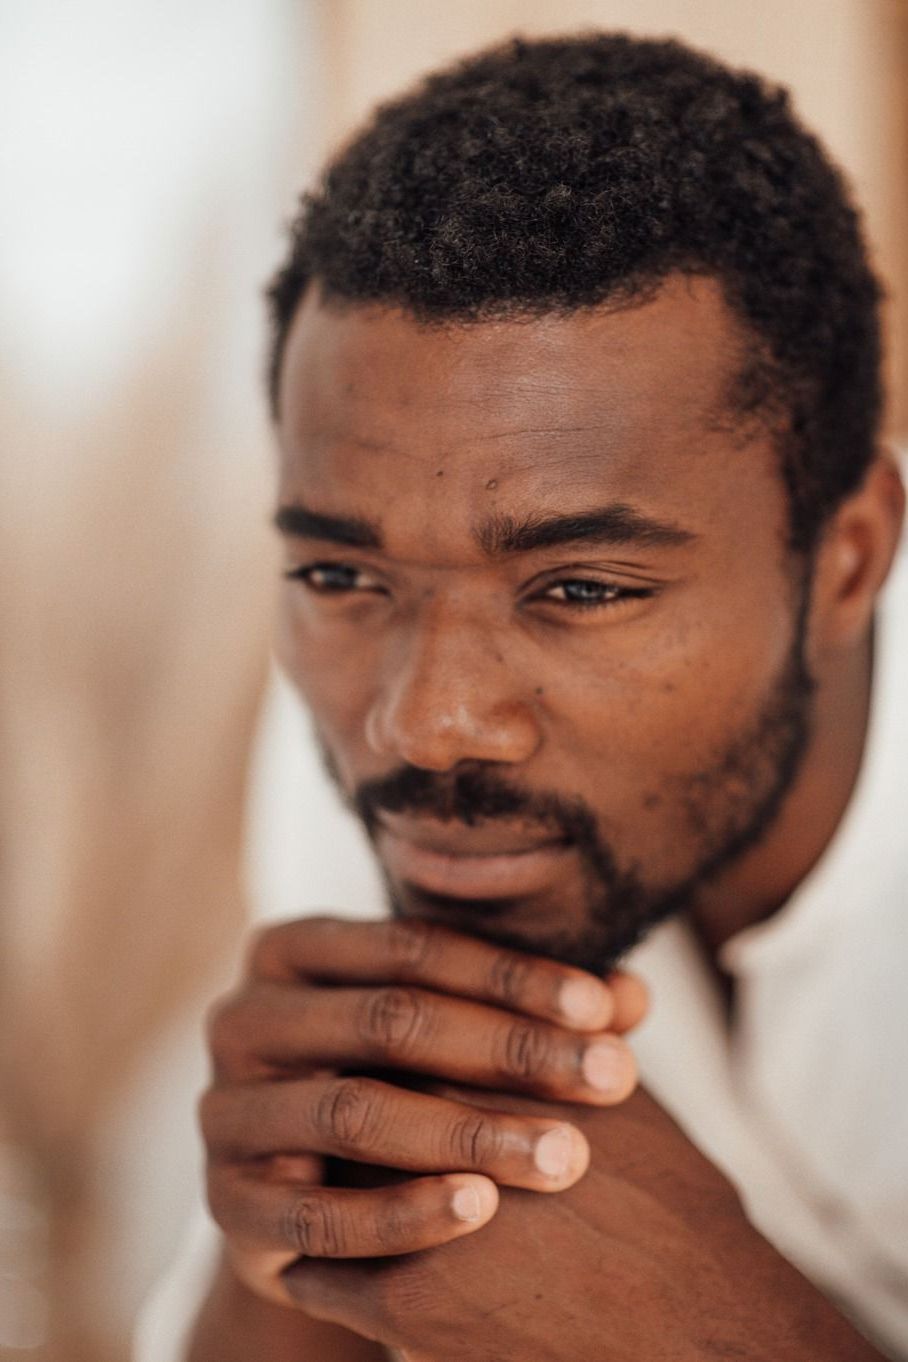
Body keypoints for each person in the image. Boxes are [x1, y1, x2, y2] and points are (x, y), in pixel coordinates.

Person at [170, 32, 908, 1361]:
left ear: (847, 557)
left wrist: (730, 1335)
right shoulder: (363, 737)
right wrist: (286, 1233)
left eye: (578, 587)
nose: (425, 724)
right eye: (340, 571)